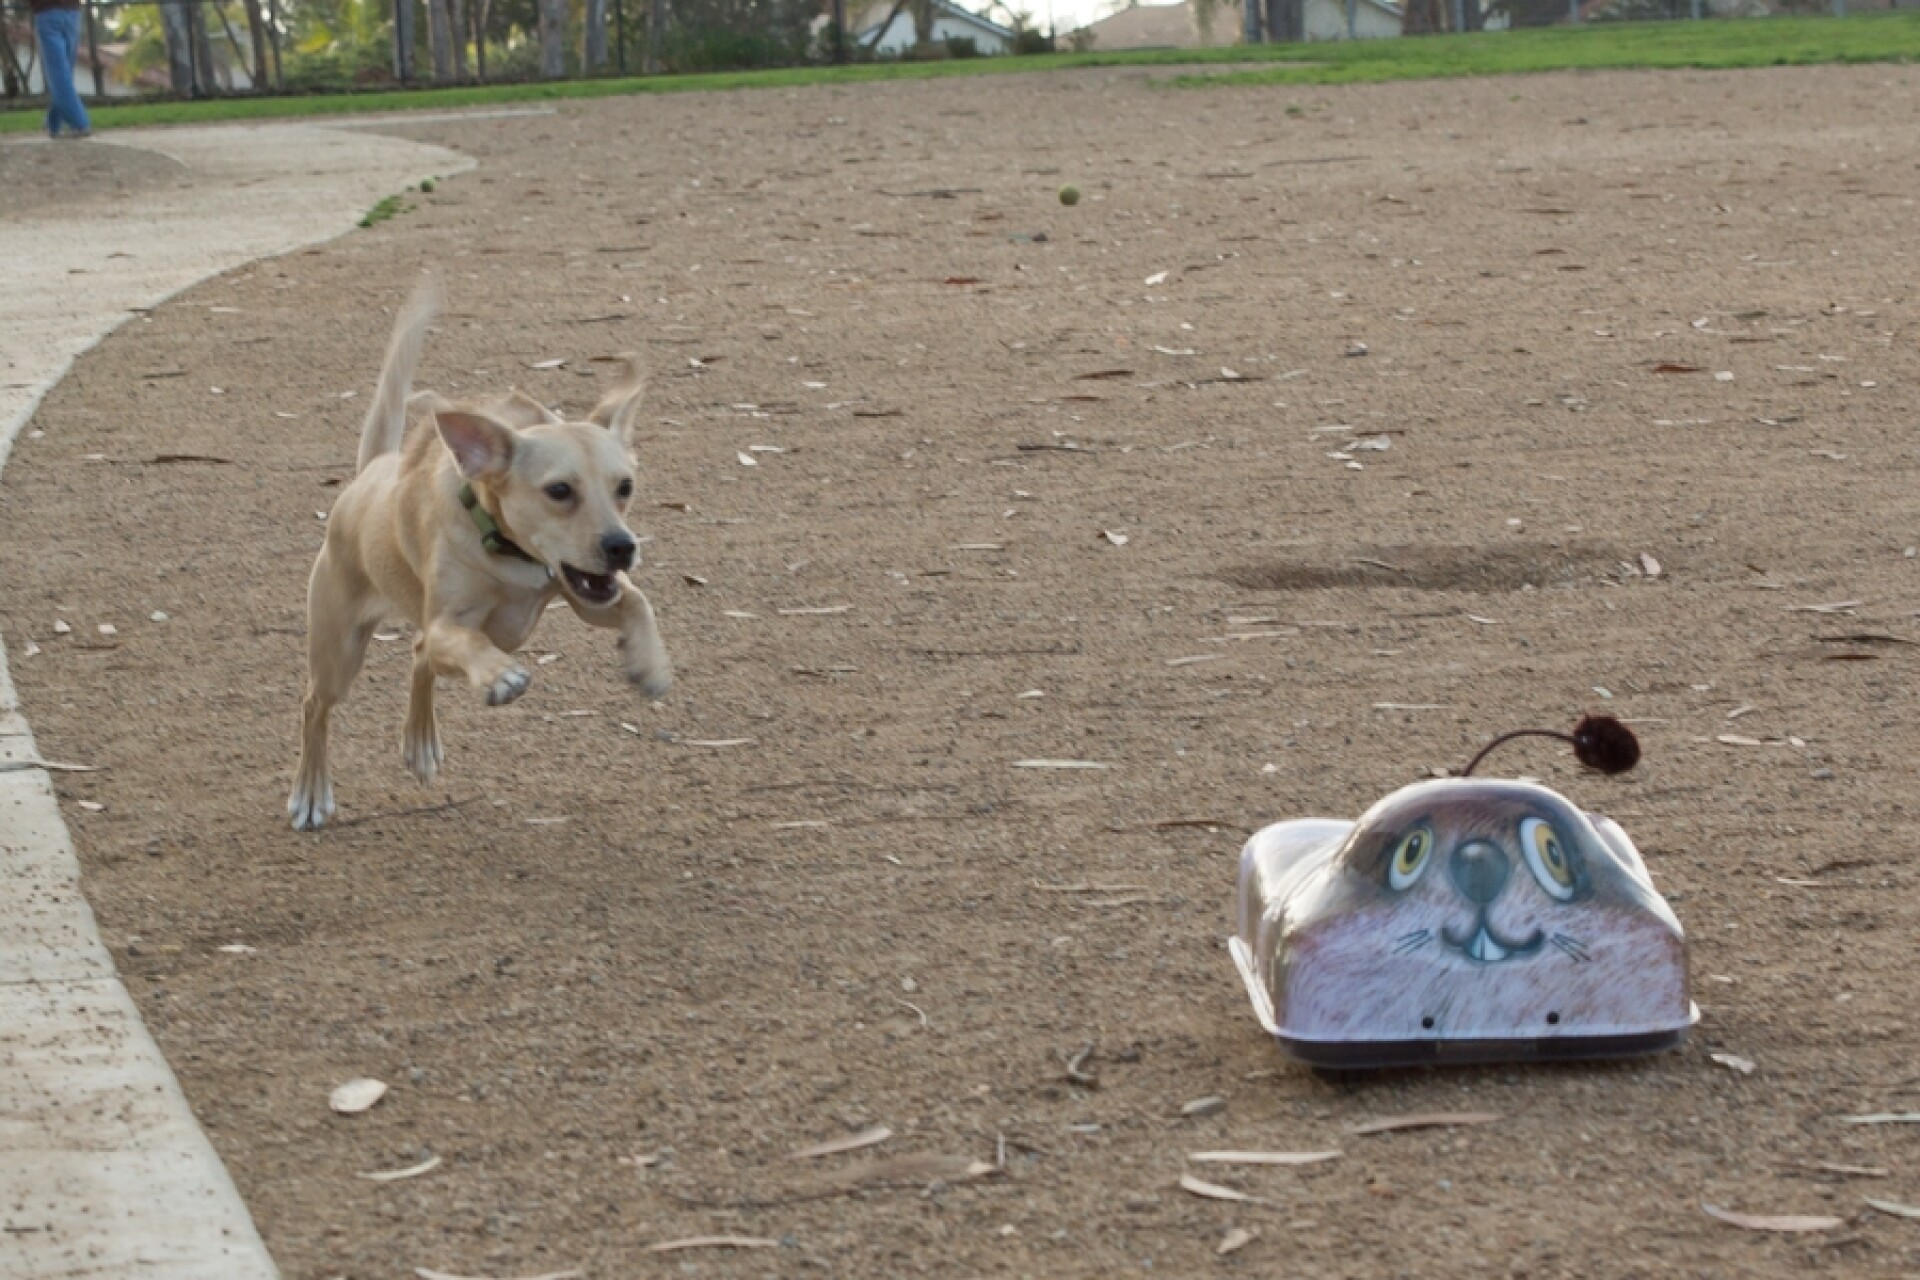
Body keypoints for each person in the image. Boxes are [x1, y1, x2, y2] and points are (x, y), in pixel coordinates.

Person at [31, 0, 93, 139]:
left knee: (59, 75)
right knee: (63, 74)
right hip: (72, 12)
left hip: (47, 12)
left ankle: (79, 123)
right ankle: (54, 124)